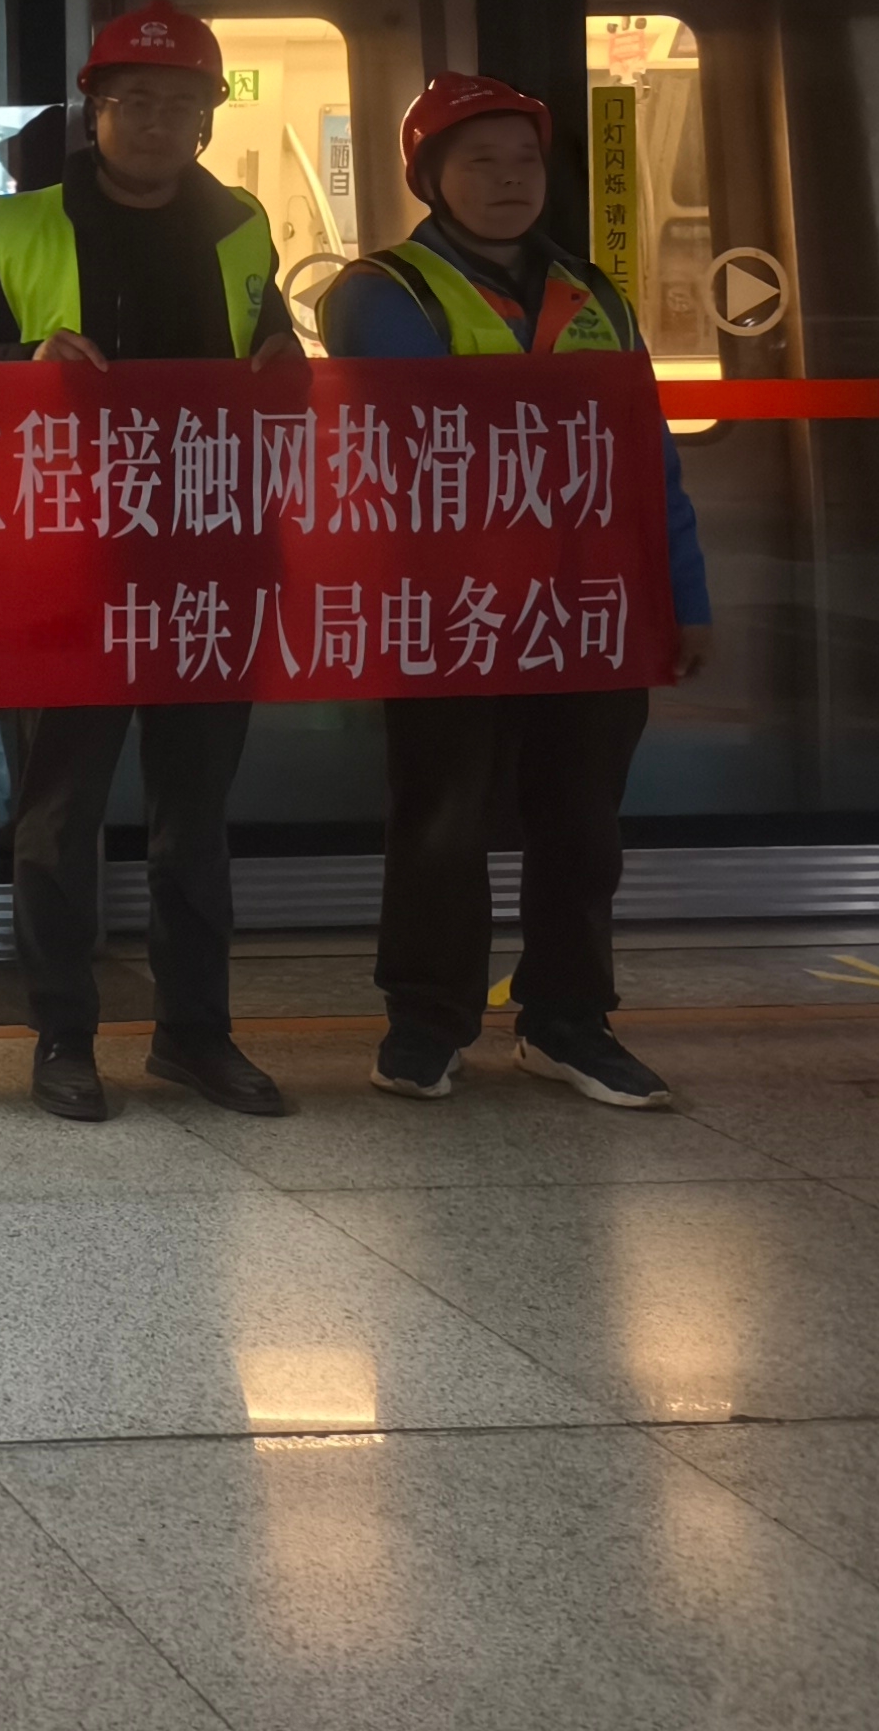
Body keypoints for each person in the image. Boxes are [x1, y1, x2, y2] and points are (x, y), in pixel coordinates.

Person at [0, 0, 305, 1125]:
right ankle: (64, 1035)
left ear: (207, 120)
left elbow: (271, 349)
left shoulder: (242, 225)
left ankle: (196, 1034)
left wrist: (287, 357)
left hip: (209, 557)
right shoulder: (16, 226)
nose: (154, 121)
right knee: (58, 816)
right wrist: (21, 360)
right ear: (92, 110)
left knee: (196, 817)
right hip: (62, 563)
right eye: (132, 100)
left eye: (179, 104)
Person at [323, 73, 716, 1110]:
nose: (509, 179)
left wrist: (685, 595)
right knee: (441, 820)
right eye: (479, 161)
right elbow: (424, 430)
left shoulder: (596, 295)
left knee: (582, 823)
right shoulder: (381, 292)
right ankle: (425, 1022)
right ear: (429, 178)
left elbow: (647, 457)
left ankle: (568, 1021)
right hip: (450, 607)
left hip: (591, 606)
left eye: (525, 160)